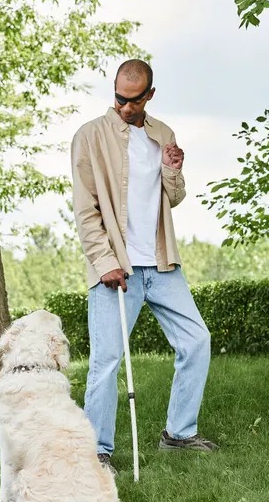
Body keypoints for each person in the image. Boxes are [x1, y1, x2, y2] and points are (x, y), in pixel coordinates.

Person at [71, 59, 218, 475]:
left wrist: (173, 170)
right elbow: (85, 208)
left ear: (149, 95)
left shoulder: (162, 134)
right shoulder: (90, 136)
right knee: (106, 361)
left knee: (196, 341)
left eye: (132, 100)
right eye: (118, 96)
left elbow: (172, 198)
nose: (123, 106)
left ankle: (178, 433)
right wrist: (104, 261)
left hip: (160, 262)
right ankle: (95, 452)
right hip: (117, 268)